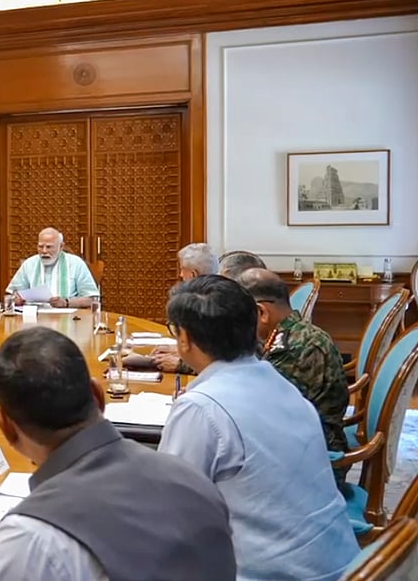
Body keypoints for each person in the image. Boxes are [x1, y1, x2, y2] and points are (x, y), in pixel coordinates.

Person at [0, 327, 235, 581]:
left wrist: (5, 563)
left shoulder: (26, 543)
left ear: (6, 427)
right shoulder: (195, 480)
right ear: (98, 396)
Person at [159, 275, 358, 579]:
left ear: (184, 338)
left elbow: (170, 510)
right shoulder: (278, 382)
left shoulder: (201, 407)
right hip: (342, 563)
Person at [237, 268, 349, 474]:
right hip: (297, 445)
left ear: (261, 312)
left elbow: (259, 408)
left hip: (313, 464)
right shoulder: (287, 334)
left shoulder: (296, 347)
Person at [152, 243, 219, 373]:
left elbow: (226, 361)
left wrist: (182, 365)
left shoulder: (215, 305)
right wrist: (180, 350)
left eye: (182, 269)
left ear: (193, 274)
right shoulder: (224, 294)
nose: (180, 275)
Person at [4, 228, 99, 309]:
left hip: (67, 318)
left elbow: (92, 299)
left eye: (49, 247)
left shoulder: (76, 263)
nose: (44, 251)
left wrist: (66, 303)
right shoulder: (29, 264)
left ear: (61, 246)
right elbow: (9, 296)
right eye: (40, 246)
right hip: (34, 319)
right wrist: (16, 299)